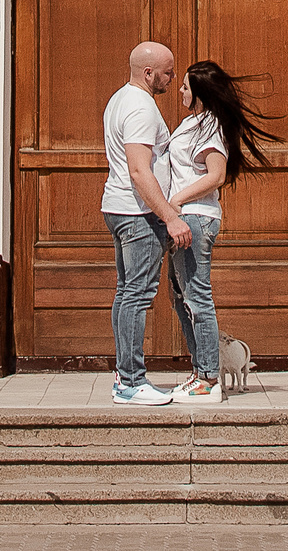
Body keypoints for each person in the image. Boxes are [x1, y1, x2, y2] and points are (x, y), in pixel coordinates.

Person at [158, 59, 282, 403]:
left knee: (197, 297)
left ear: (200, 93)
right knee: (181, 297)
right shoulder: (193, 123)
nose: (180, 90)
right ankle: (200, 371)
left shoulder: (210, 127)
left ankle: (209, 379)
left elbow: (216, 175)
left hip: (195, 218)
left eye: (185, 86)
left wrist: (176, 201)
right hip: (187, 217)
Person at [101, 40, 189, 405]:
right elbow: (139, 170)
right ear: (148, 73)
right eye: (168, 72)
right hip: (138, 214)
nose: (172, 78)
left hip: (120, 207)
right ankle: (131, 381)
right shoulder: (140, 107)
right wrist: (170, 216)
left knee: (127, 293)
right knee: (136, 295)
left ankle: (124, 376)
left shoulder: (120, 99)